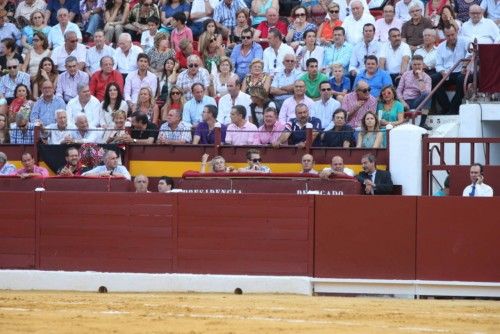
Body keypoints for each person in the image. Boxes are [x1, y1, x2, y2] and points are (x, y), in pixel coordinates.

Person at [434, 25, 469, 115]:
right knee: (433, 79)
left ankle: (453, 109)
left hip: (462, 70)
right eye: (448, 36)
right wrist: (442, 72)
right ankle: (447, 107)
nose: (451, 37)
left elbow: (470, 54)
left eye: (453, 35)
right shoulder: (441, 46)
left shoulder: (464, 41)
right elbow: (438, 64)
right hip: (447, 72)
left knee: (461, 79)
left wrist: (464, 66)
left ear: (457, 33)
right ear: (445, 36)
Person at [397, 54, 432, 130]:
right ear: (411, 65)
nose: (417, 66)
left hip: (417, 102)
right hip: (405, 101)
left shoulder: (427, 77)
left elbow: (426, 92)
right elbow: (399, 90)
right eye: (414, 64)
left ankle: (422, 123)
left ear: (423, 65)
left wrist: (420, 77)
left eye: (419, 64)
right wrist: (402, 101)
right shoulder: (405, 74)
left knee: (427, 94)